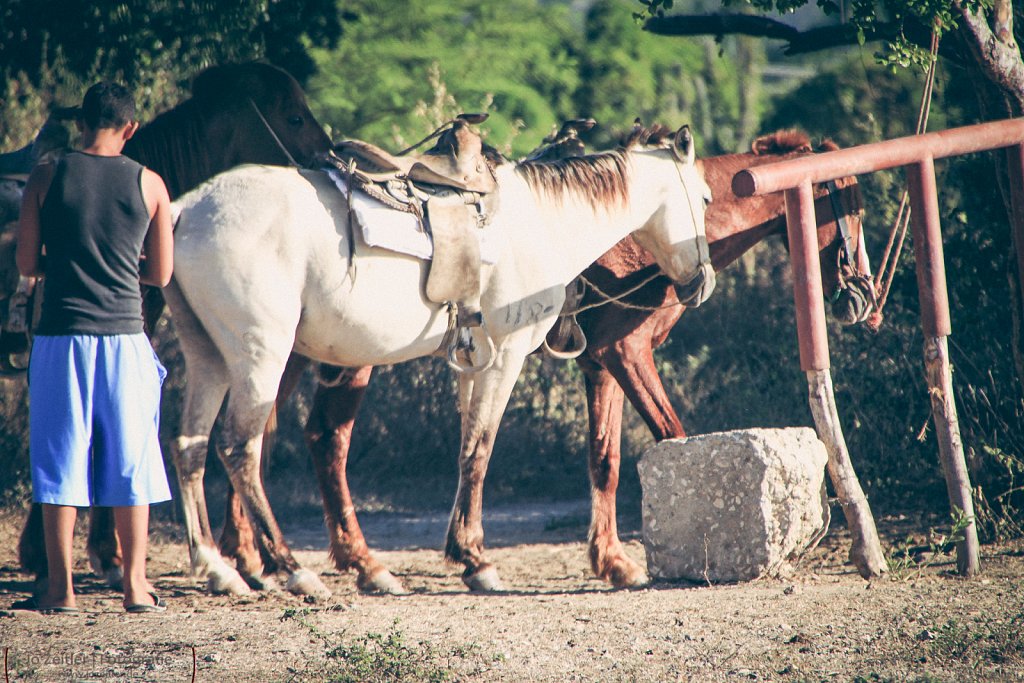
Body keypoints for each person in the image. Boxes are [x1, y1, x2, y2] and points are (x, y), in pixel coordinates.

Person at [12, 82, 174, 614]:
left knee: (59, 463)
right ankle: (134, 586)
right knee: (132, 464)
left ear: (81, 122)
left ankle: (60, 590)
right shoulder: (150, 184)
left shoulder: (46, 174)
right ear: (131, 128)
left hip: (61, 339)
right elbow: (161, 273)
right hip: (126, 339)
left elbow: (26, 264)